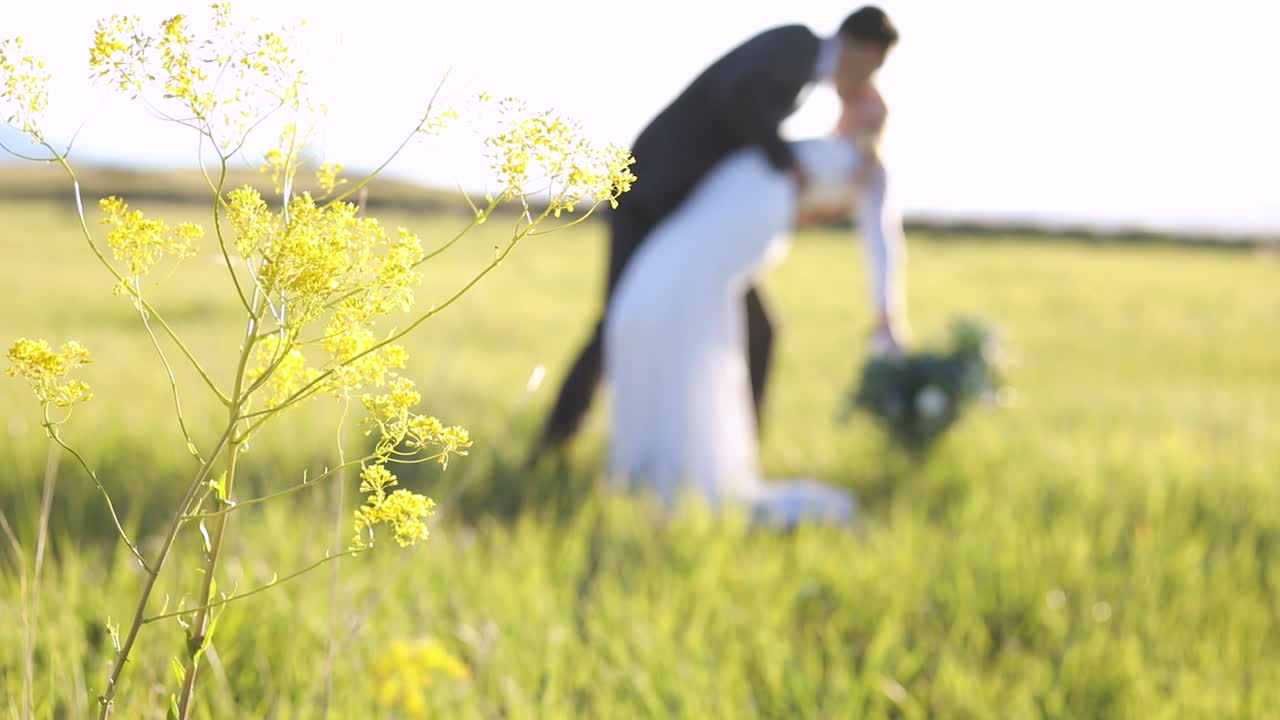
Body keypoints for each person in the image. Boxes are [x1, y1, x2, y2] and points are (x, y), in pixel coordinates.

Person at [526, 7, 901, 468]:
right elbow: (735, 96)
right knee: (619, 319)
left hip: (694, 217)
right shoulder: (798, 45)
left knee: (759, 330)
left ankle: (737, 456)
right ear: (862, 49)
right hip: (649, 195)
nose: (870, 78)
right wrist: (788, 164)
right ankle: (550, 448)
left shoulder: (803, 73)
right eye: (875, 65)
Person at [601, 88, 909, 527]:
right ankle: (670, 475)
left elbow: (881, 242)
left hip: (689, 260)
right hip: (693, 259)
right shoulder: (804, 152)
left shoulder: (865, 170)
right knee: (698, 343)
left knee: (703, 345)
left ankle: (676, 473)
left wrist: (886, 312)